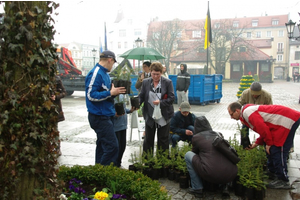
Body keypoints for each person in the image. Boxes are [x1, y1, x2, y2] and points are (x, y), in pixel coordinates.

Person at [227, 102, 300, 189]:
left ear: (237, 111)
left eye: (231, 114)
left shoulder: (248, 113)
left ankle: (283, 180)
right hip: (279, 123)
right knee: (270, 147)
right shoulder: (246, 113)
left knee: (278, 149)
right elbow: (263, 129)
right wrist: (257, 143)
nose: (231, 117)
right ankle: (272, 172)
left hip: (288, 120)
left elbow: (264, 129)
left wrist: (269, 143)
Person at [85, 50, 126, 166]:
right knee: (112, 146)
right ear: (110, 60)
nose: (112, 66)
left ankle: (99, 170)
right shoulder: (96, 73)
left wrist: (114, 94)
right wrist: (110, 93)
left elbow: (106, 94)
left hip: (106, 115)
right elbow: (91, 96)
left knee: (102, 146)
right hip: (99, 116)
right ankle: (105, 171)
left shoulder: (105, 74)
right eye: (113, 63)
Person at [185, 116, 238, 198]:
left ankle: (197, 188)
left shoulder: (196, 138)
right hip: (232, 173)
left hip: (211, 173)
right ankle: (225, 186)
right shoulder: (219, 134)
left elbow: (194, 153)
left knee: (188, 155)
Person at [139, 62, 175, 155]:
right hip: (150, 115)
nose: (155, 76)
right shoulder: (146, 82)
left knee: (163, 140)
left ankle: (162, 162)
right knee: (148, 140)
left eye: (158, 74)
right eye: (153, 74)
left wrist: (161, 102)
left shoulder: (167, 82)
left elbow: (171, 98)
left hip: (164, 115)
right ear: (150, 72)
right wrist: (137, 104)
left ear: (161, 73)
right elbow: (141, 96)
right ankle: (147, 162)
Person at [238, 82, 273, 147]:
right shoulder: (245, 93)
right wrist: (241, 118)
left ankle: (264, 146)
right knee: (244, 130)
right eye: (253, 94)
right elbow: (239, 106)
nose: (255, 96)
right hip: (247, 117)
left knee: (264, 131)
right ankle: (245, 146)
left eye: (257, 94)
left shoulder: (267, 95)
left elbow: (270, 109)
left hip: (262, 118)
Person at [113, 94, 137, 168]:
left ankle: (118, 163)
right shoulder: (112, 96)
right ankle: (114, 164)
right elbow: (108, 110)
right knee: (116, 147)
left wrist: (130, 110)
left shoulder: (122, 96)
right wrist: (114, 114)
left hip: (123, 125)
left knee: (122, 146)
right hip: (116, 126)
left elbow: (123, 109)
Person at [50, 75, 66, 156]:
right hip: (44, 109)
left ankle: (57, 149)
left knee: (55, 130)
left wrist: (56, 97)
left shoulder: (56, 78)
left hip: (55, 110)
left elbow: (64, 92)